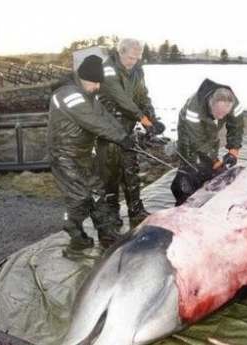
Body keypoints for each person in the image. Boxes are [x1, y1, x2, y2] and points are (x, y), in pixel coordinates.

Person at [47, 55, 135, 248]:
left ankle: (105, 231)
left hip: (84, 153)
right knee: (79, 196)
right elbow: (92, 122)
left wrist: (124, 134)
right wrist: (119, 138)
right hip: (64, 155)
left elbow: (104, 116)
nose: (98, 87)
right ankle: (72, 225)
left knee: (98, 191)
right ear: (84, 78)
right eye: (95, 83)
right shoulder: (68, 94)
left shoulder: (88, 95)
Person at [96, 38, 165, 228]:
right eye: (129, 58)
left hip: (127, 127)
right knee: (109, 174)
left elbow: (142, 96)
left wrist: (152, 119)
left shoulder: (138, 70)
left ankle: (136, 209)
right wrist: (143, 119)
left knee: (131, 170)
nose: (132, 62)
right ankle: (111, 212)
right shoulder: (107, 68)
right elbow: (121, 99)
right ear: (120, 53)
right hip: (108, 127)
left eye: (136, 58)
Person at [170, 79, 244, 205]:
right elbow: (196, 140)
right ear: (210, 104)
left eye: (224, 114)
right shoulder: (194, 108)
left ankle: (207, 187)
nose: (221, 117)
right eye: (218, 113)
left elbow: (236, 127)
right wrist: (214, 160)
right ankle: (185, 196)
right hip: (189, 130)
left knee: (211, 150)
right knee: (190, 161)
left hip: (210, 125)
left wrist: (234, 150)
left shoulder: (234, 104)